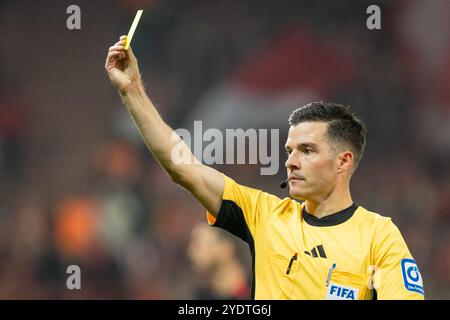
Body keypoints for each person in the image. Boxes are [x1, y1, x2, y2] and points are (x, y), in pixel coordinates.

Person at [104, 36, 425, 300]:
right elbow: (183, 166)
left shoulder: (378, 237)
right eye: (290, 151)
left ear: (343, 162)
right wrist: (132, 92)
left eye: (307, 150)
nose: (291, 161)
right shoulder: (265, 215)